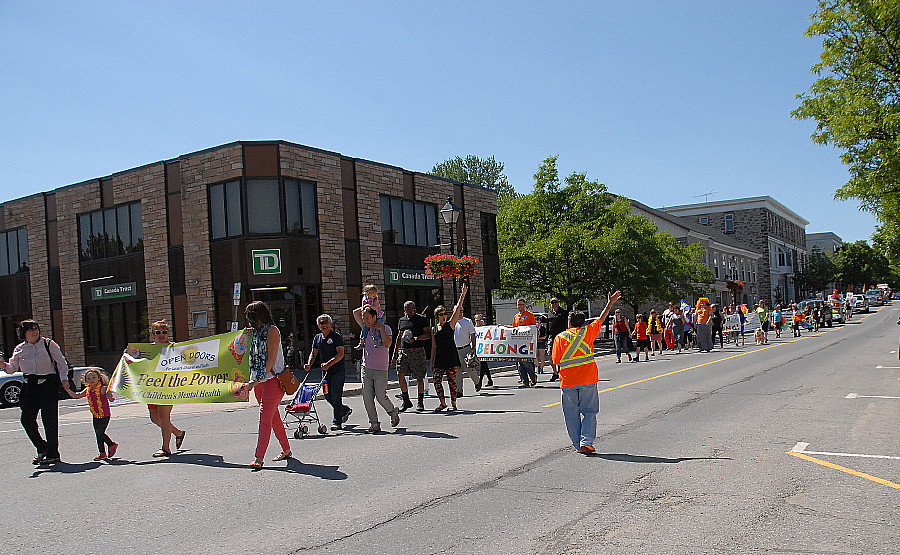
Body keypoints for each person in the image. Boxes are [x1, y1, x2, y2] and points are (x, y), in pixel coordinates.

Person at [551, 290, 622, 454]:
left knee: (571, 414)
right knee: (589, 412)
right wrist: (609, 303)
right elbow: (602, 318)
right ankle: (586, 441)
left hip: (568, 381)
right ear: (582, 322)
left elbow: (555, 361)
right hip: (588, 379)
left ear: (569, 323)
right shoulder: (588, 332)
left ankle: (578, 444)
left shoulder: (560, 338)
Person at [0, 320, 72, 465]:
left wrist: (64, 379)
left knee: (49, 421)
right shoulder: (20, 349)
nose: (35, 332)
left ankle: (53, 453)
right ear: (24, 333)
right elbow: (12, 369)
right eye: (31, 329)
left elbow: (61, 362)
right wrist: (2, 364)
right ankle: (42, 447)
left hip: (48, 385)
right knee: (26, 420)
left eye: (36, 329)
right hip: (29, 387)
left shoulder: (48, 344)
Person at [239, 301, 293, 469]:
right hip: (260, 380)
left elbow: (270, 359)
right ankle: (286, 449)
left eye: (250, 315)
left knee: (265, 418)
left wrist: (256, 380)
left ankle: (259, 457)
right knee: (273, 417)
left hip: (273, 380)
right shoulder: (255, 332)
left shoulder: (272, 331)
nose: (248, 319)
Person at [352, 305, 399, 433]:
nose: (365, 320)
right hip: (366, 368)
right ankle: (374, 424)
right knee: (367, 397)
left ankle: (392, 411)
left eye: (367, 318)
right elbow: (355, 313)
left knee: (380, 396)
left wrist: (381, 329)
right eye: (364, 318)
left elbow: (388, 344)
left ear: (374, 317)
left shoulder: (386, 328)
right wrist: (368, 304)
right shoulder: (365, 329)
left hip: (381, 369)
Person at [146, 320, 187, 458]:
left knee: (164, 417)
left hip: (168, 388)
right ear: (153, 334)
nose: (162, 334)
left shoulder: (173, 348)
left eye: (164, 332)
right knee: (154, 418)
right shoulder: (148, 350)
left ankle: (165, 448)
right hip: (152, 388)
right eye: (158, 332)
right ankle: (178, 433)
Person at [305, 314, 352, 430]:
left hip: (337, 371)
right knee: (327, 396)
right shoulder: (317, 338)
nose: (324, 325)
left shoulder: (336, 337)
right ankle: (344, 410)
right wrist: (309, 364)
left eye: (326, 322)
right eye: (321, 323)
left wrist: (329, 364)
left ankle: (337, 421)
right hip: (326, 373)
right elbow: (313, 353)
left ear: (331, 325)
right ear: (318, 325)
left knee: (336, 396)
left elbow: (340, 354)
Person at [430, 284, 469, 411]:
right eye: (441, 314)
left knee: (452, 381)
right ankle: (442, 403)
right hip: (439, 358)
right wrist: (431, 361)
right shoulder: (434, 328)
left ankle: (453, 403)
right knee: (436, 381)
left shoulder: (450, 325)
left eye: (445, 313)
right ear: (437, 316)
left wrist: (462, 295)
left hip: (451, 356)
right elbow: (434, 346)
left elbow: (457, 310)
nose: (443, 315)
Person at [68, 368, 117, 461]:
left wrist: (109, 396)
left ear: (99, 378)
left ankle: (111, 444)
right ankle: (102, 453)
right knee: (98, 434)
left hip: (105, 414)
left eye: (94, 377)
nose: (92, 380)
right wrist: (67, 389)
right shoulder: (88, 390)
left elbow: (111, 398)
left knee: (100, 432)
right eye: (89, 378)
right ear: (86, 380)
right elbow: (76, 396)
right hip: (95, 414)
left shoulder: (103, 388)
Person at [392, 301, 431, 412]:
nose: (412, 310)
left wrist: (416, 338)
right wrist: (395, 353)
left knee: (419, 377)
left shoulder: (421, 319)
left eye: (413, 308)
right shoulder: (402, 321)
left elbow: (428, 334)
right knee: (400, 374)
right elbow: (399, 337)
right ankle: (406, 400)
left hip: (417, 351)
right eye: (409, 308)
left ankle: (420, 402)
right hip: (404, 352)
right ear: (405, 310)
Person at [454, 308, 480, 395]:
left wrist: (474, 347)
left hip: (466, 348)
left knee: (469, 368)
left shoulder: (467, 321)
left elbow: (472, 335)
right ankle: (459, 390)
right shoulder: (452, 322)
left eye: (461, 311)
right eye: (458, 311)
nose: (460, 313)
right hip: (455, 350)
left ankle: (477, 382)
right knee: (457, 371)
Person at [513, 298, 538, 387]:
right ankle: (525, 381)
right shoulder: (516, 316)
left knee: (527, 362)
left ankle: (532, 376)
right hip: (518, 343)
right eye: (518, 304)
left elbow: (534, 328)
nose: (519, 306)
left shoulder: (530, 315)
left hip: (528, 343)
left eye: (521, 304)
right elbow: (514, 329)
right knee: (520, 364)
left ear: (525, 305)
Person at [546, 298, 569, 381]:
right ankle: (555, 372)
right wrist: (546, 336)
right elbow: (548, 326)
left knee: (561, 355)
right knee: (549, 354)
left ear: (558, 303)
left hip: (561, 337)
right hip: (551, 337)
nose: (554, 304)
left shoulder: (563, 313)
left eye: (555, 302)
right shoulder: (549, 313)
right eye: (552, 303)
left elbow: (567, 325)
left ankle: (560, 371)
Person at [355, 284, 384, 349]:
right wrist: (364, 310)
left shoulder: (375, 299)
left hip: (377, 316)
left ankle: (378, 341)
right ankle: (361, 342)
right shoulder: (364, 298)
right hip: (369, 315)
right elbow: (363, 307)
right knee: (364, 328)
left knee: (378, 327)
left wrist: (369, 306)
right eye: (373, 293)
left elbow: (375, 307)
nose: (374, 294)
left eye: (375, 293)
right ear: (368, 292)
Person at [473, 314, 494, 389]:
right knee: (485, 365)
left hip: (484, 349)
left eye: (479, 320)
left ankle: (480, 381)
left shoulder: (484, 328)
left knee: (483, 364)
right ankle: (490, 380)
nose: (478, 322)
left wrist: (484, 326)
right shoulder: (474, 328)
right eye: (476, 320)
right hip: (478, 348)